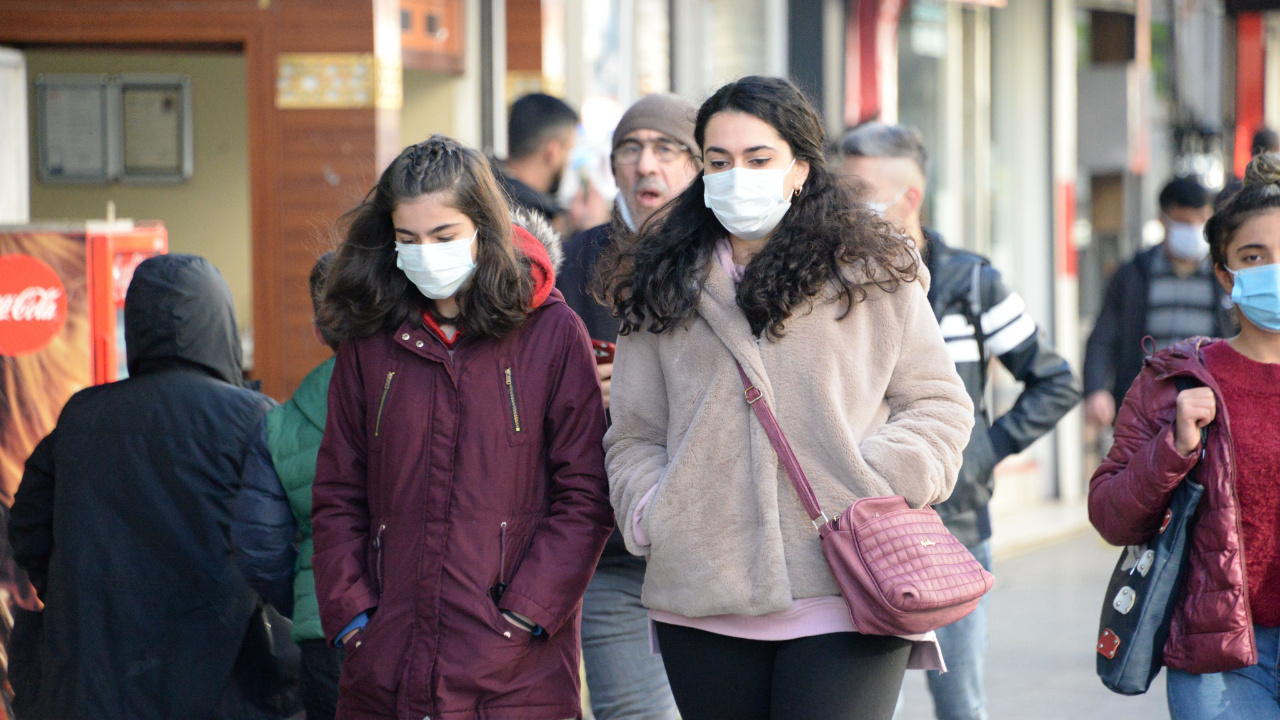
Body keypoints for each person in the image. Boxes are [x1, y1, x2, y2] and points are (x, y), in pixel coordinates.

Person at [597, 76, 974, 720]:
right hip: (704, 587)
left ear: (800, 167)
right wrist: (656, 511)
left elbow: (939, 405)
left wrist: (868, 482)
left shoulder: (873, 269)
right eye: (719, 161)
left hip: (846, 577)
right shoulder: (661, 283)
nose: (735, 175)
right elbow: (632, 433)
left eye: (758, 158)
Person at [311, 134, 614, 720]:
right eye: (408, 240)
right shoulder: (370, 338)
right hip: (385, 668)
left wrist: (525, 614)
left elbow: (585, 495)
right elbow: (337, 492)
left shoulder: (552, 333)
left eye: (444, 236)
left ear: (484, 229)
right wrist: (354, 616)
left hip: (516, 676)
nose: (425, 253)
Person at [841, 122, 1082, 720]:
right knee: (863, 705)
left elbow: (1055, 380)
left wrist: (980, 451)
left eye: (859, 188)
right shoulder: (831, 283)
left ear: (909, 197)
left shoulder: (969, 282)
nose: (844, 203)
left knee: (959, 703)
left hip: (953, 527)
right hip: (855, 530)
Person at [9, 254, 293, 719]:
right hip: (225, 676)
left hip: (94, 683)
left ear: (135, 325)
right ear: (219, 320)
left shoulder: (83, 416)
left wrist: (74, 591)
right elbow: (287, 546)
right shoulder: (256, 419)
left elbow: (28, 527)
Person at [1089, 152, 1280, 719]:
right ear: (1225, 273)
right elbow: (1111, 514)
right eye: (1254, 256)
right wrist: (1173, 449)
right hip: (1220, 656)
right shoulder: (1171, 384)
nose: (1273, 270)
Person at [556, 93, 698, 720]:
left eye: (667, 149)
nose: (648, 165)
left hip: (715, 543)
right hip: (611, 545)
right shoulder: (567, 262)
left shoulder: (727, 257)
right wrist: (578, 388)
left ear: (698, 165)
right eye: (631, 149)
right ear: (611, 165)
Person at [257, 251, 342, 720]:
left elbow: (258, 542)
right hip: (423, 630)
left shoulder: (280, 423)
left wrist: (306, 593)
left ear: (318, 330)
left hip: (324, 632)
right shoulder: (429, 388)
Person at [1083, 176, 1232, 428]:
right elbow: (1104, 335)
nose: (1194, 229)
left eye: (1200, 221)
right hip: (1145, 413)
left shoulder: (1223, 277)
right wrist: (1095, 389)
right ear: (1163, 220)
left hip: (1210, 410)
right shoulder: (1134, 275)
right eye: (1184, 222)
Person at [497, 93, 579, 228]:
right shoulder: (529, 220)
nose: (569, 162)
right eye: (569, 152)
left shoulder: (484, 192)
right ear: (554, 151)